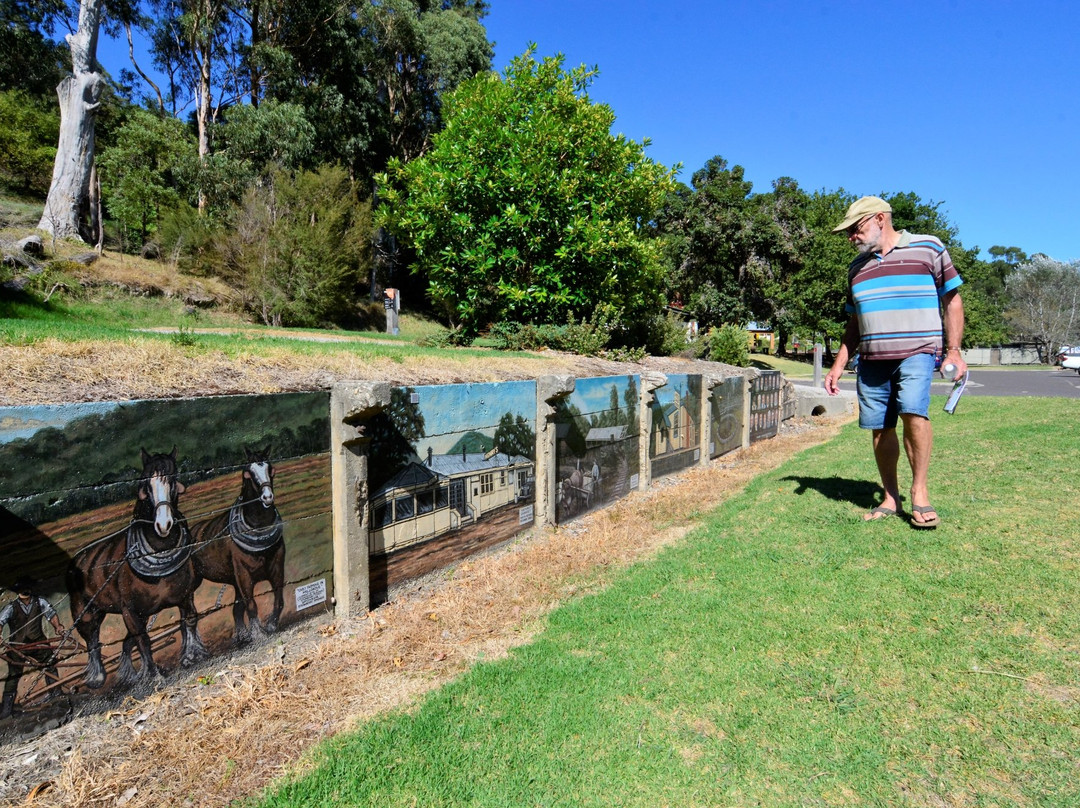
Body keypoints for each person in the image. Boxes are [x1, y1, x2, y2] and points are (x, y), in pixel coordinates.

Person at [823, 196, 966, 528]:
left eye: (855, 229)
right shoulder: (856, 269)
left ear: (878, 220)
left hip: (917, 351)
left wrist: (954, 350)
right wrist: (838, 364)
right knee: (879, 428)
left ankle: (920, 492)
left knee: (914, 412)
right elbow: (854, 323)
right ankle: (891, 496)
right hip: (872, 360)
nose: (850, 238)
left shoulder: (928, 248)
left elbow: (953, 300)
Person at [0, 576, 65, 718]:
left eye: (28, 587)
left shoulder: (40, 601)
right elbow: (0, 622)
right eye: (23, 588)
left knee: (50, 663)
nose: (26, 590)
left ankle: (56, 695)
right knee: (13, 676)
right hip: (17, 647)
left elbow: (51, 614)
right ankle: (6, 710)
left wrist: (58, 626)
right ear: (18, 591)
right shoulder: (11, 607)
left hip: (38, 643)